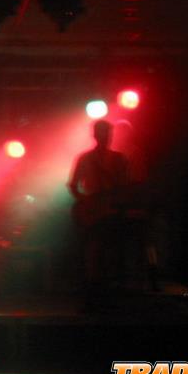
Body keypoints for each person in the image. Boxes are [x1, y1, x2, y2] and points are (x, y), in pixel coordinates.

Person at [68, 120, 129, 306]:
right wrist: (85, 201)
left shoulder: (119, 159)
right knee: (93, 249)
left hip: (110, 211)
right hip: (94, 212)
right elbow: (73, 185)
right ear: (95, 135)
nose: (106, 137)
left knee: (107, 250)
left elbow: (124, 186)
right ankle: (94, 289)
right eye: (103, 133)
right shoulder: (85, 158)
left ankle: (105, 288)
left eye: (108, 133)